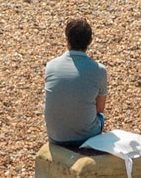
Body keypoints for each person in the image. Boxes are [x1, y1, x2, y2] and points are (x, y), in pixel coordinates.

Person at [43, 18, 108, 152]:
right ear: (90, 41)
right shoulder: (99, 70)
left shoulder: (51, 66)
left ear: (67, 41)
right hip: (85, 138)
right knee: (101, 118)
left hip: (56, 136)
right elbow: (99, 109)